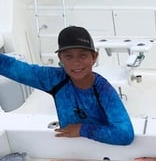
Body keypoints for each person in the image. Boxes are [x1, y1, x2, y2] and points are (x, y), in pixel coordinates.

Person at [0, 26, 134, 145]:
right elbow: (15, 68)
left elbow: (125, 134)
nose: (76, 63)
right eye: (69, 56)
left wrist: (81, 129)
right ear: (60, 58)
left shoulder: (104, 90)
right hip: (68, 146)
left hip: (102, 147)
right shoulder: (54, 79)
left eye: (83, 55)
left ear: (94, 57)